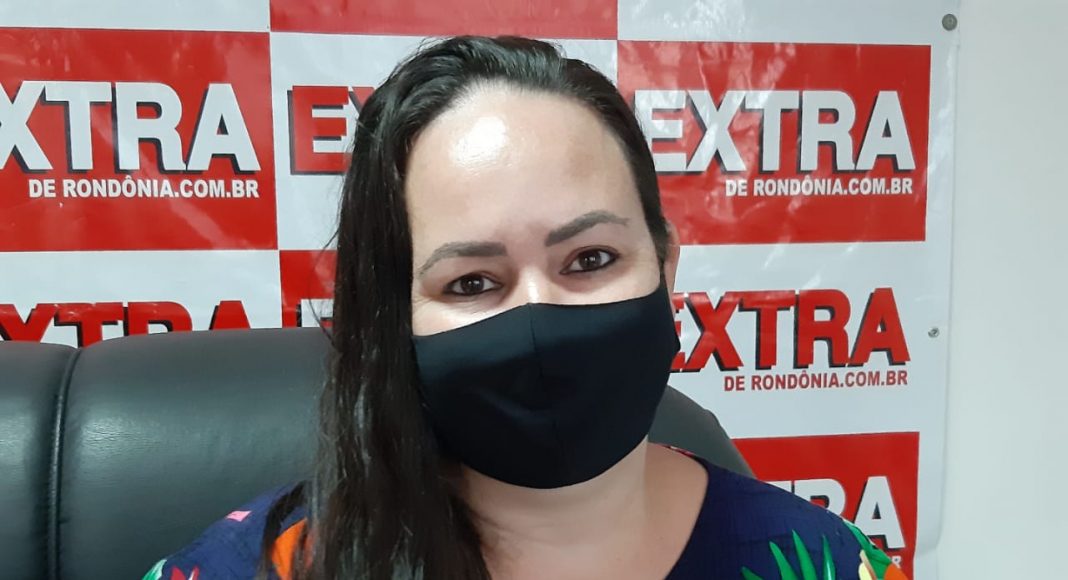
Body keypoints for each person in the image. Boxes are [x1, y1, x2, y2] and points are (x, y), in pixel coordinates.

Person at [143, 36, 907, 580]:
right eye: (472, 282)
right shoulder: (265, 568)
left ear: (665, 268)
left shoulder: (828, 563)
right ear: (394, 319)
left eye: (590, 260)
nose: (540, 316)